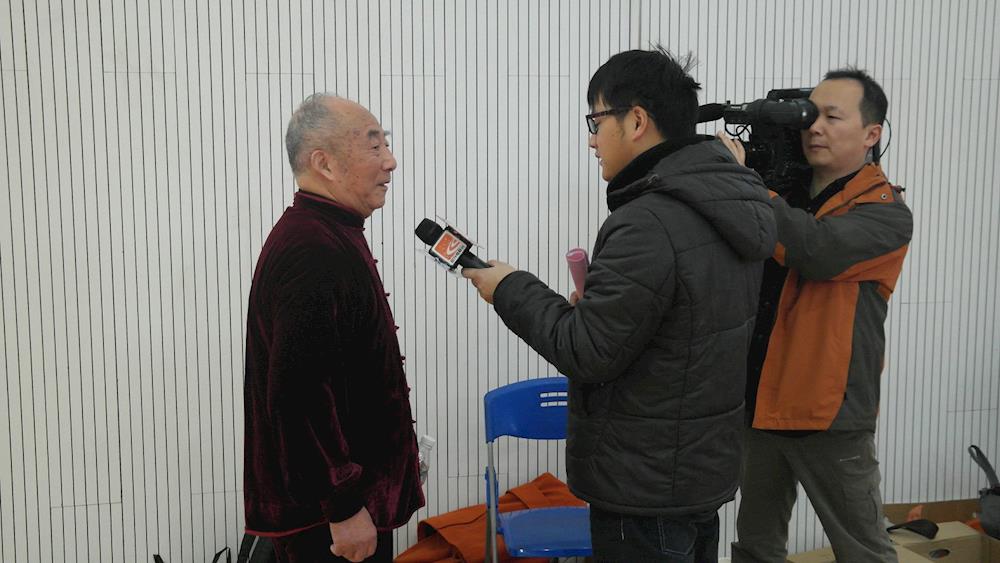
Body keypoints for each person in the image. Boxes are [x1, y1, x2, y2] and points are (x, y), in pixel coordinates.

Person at [462, 47, 777, 562]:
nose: (591, 139)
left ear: (636, 121)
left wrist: (508, 286)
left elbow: (586, 352)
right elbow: (683, 329)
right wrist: (604, 308)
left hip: (643, 488)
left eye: (596, 120)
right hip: (698, 473)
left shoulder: (648, 220)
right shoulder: (731, 206)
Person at [718, 69, 913, 563]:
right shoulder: (782, 194)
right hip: (761, 401)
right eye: (810, 116)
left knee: (863, 551)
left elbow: (816, 250)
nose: (815, 128)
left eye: (832, 117)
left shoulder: (886, 213)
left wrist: (745, 184)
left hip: (830, 413)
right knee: (755, 547)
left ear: (871, 134)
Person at [242, 93, 424, 563]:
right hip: (328, 520)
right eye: (374, 146)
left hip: (347, 504)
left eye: (386, 144)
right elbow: (298, 395)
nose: (390, 161)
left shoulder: (329, 231)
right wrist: (342, 506)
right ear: (323, 162)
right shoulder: (312, 248)